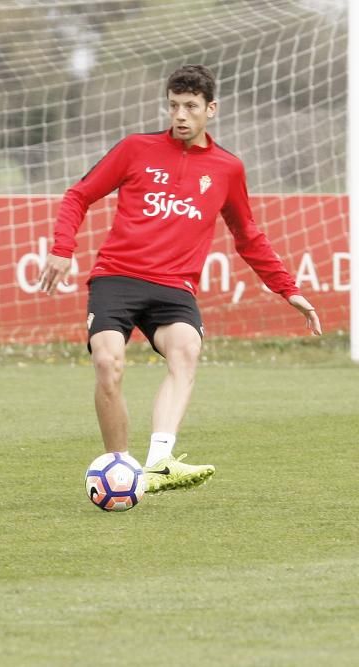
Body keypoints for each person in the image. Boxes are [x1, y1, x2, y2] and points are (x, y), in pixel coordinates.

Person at [39, 64, 321, 493]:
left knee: (186, 348)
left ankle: (159, 462)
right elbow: (78, 195)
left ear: (211, 108)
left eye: (190, 106)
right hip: (117, 275)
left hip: (174, 287)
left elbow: (248, 235)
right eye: (174, 106)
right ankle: (120, 467)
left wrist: (288, 289)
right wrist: (62, 248)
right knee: (107, 363)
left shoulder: (227, 169)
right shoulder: (135, 149)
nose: (181, 115)